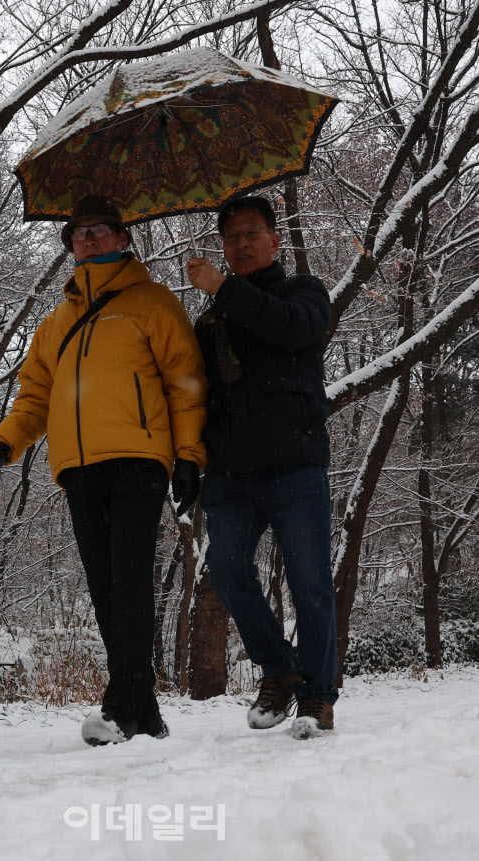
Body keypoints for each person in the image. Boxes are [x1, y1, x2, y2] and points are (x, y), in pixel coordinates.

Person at [0, 195, 207, 746]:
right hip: (77, 469)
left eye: (100, 230)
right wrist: (3, 443)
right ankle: (144, 711)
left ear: (124, 238)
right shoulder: (57, 322)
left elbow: (186, 383)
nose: (88, 239)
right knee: (105, 589)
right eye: (78, 233)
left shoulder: (153, 304)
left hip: (137, 460)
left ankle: (120, 705)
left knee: (128, 579)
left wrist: (190, 456)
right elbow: (35, 394)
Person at [186, 195, 338, 739]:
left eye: (252, 233)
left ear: (275, 240)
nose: (241, 244)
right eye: (231, 237)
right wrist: (187, 458)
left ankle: (319, 697)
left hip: (295, 465)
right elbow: (196, 391)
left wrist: (223, 289)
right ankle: (279, 668)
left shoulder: (303, 291)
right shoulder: (211, 316)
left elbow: (295, 330)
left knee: (309, 582)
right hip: (230, 472)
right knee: (226, 568)